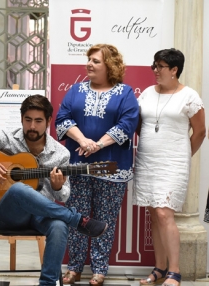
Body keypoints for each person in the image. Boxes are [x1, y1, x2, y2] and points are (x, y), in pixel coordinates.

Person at [0, 94, 108, 286]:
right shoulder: (7, 138)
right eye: (28, 120)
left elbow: (64, 194)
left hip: (42, 216)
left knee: (59, 226)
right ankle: (77, 219)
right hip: (9, 215)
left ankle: (47, 283)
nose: (32, 126)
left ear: (48, 121)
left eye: (38, 121)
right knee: (18, 189)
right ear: (21, 119)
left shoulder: (60, 153)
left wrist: (57, 186)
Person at [55, 44, 139, 285]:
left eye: (95, 61)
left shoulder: (125, 93)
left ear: (110, 66)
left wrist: (98, 145)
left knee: (105, 220)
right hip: (78, 166)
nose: (89, 64)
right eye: (89, 59)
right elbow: (62, 118)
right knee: (76, 217)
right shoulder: (76, 90)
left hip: (113, 168)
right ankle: (74, 267)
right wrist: (83, 140)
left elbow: (127, 124)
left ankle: (100, 268)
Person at [133, 48, 205, 286]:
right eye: (154, 65)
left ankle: (175, 271)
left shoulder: (190, 96)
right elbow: (139, 124)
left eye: (160, 66)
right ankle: (160, 268)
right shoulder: (146, 93)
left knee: (165, 213)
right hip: (147, 159)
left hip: (173, 162)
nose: (155, 70)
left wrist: (185, 154)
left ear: (174, 70)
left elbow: (201, 131)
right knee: (154, 214)